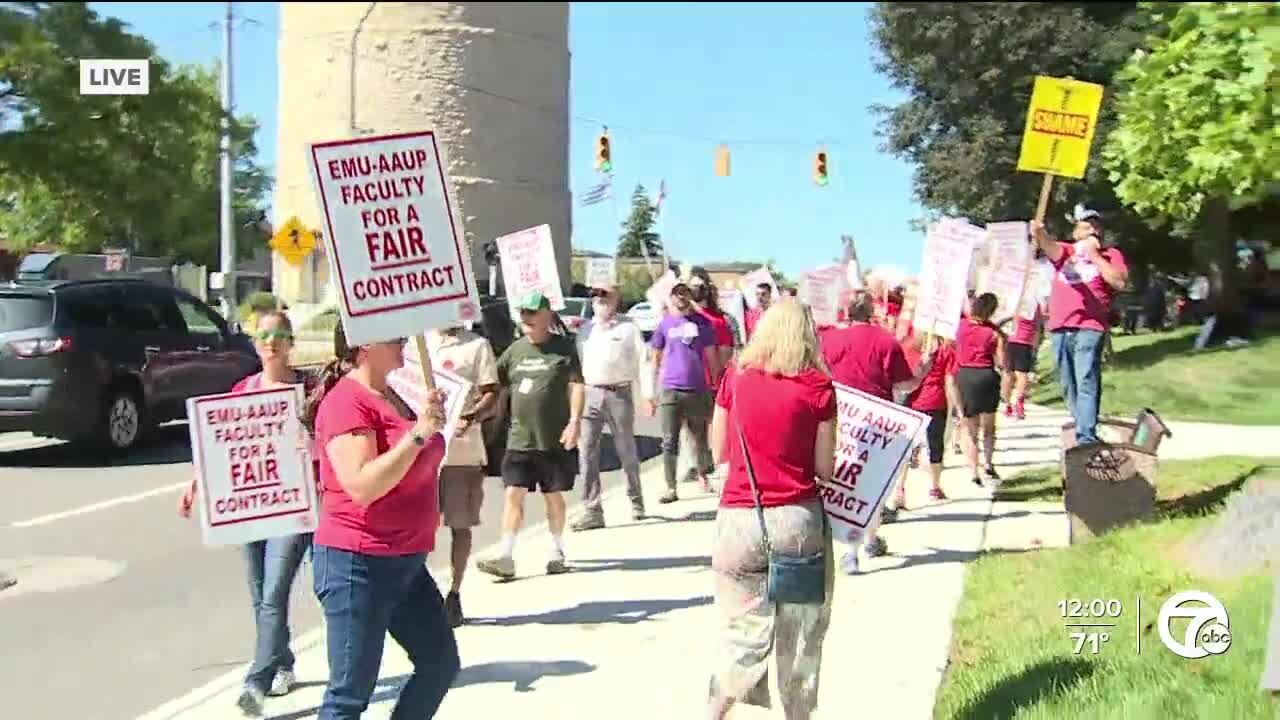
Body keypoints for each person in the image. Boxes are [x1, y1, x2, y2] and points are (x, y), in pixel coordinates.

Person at [305, 324, 457, 720]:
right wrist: (420, 434)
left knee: (439, 665)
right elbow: (362, 485)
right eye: (394, 335)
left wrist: (430, 420)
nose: (404, 340)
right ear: (365, 344)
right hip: (358, 563)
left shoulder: (395, 393)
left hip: (405, 561)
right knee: (350, 695)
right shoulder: (346, 403)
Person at [178, 311, 316, 718]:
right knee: (260, 595)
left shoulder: (307, 390)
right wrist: (195, 483)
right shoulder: (243, 389)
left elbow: (327, 437)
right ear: (255, 342)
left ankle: (256, 682)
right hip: (251, 509)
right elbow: (221, 444)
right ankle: (283, 662)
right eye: (263, 335)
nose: (271, 342)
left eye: (279, 335)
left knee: (273, 593)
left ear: (291, 342)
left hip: (292, 509)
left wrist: (307, 445)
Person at [707, 299, 837, 720]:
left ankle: (715, 711)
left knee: (739, 633)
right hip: (796, 522)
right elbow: (824, 468)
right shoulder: (817, 386)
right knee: (799, 635)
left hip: (739, 520)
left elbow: (718, 449)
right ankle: (797, 714)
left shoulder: (736, 378)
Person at [819, 290, 933, 571]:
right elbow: (905, 384)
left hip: (842, 420)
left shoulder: (829, 340)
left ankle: (853, 548)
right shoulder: (885, 340)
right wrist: (923, 370)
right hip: (878, 425)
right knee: (874, 485)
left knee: (845, 484)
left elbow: (820, 376)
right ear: (871, 310)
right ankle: (862, 543)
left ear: (845, 311)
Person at [477, 292, 585, 579]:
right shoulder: (515, 351)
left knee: (553, 496)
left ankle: (557, 549)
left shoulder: (564, 349)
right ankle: (506, 554)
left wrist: (574, 422)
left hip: (553, 439)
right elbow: (491, 384)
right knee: (514, 494)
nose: (526, 317)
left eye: (533, 312)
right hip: (519, 438)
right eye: (523, 312)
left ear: (547, 316)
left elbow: (576, 386)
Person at [1031, 207, 1129, 445]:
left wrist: (1095, 256)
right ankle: (1081, 424)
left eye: (1094, 227)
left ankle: (1086, 435)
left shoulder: (1110, 255)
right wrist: (1039, 232)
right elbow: (1049, 247)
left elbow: (1119, 282)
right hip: (1060, 326)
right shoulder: (1066, 252)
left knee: (1086, 377)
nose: (1089, 231)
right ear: (1076, 232)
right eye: (1084, 226)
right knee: (1067, 382)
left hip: (1089, 326)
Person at [425, 324, 500, 628]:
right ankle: (419, 597)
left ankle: (454, 593)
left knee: (460, 524)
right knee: (418, 528)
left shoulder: (476, 345)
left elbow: (492, 393)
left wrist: (469, 417)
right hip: (422, 449)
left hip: (462, 452)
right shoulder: (418, 342)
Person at [570, 284, 652, 531]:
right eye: (595, 296)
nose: (600, 300)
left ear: (617, 299)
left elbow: (644, 363)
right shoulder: (584, 330)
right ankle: (592, 510)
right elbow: (576, 367)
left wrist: (648, 395)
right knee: (586, 453)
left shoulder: (628, 328)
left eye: (605, 295)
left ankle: (636, 501)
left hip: (619, 393)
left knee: (626, 450)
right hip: (590, 394)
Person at [651, 282, 721, 503]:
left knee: (699, 437)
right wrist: (651, 390)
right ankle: (670, 487)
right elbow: (655, 356)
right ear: (671, 298)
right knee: (670, 440)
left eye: (685, 294)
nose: (681, 298)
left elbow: (712, 356)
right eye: (677, 295)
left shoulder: (703, 324)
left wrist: (716, 384)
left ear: (690, 297)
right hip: (670, 389)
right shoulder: (665, 324)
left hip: (696, 388)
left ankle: (702, 476)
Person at [896, 330, 958, 509]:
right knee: (936, 445)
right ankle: (934, 487)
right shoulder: (947, 351)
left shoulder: (910, 348)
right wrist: (955, 407)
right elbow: (950, 381)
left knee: (908, 447)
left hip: (913, 401)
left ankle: (900, 488)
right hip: (936, 401)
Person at [955, 293, 1006, 487]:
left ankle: (973, 471)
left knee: (970, 427)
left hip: (965, 375)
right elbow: (1002, 362)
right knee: (989, 426)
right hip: (986, 375)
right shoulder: (994, 332)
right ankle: (989, 464)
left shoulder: (960, 326)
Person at [1001, 302, 1043, 421]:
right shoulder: (1035, 304)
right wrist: (1035, 345)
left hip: (1011, 339)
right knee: (1021, 374)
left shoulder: (1015, 299)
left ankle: (1008, 404)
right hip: (1025, 341)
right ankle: (1018, 402)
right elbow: (1037, 327)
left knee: (1008, 373)